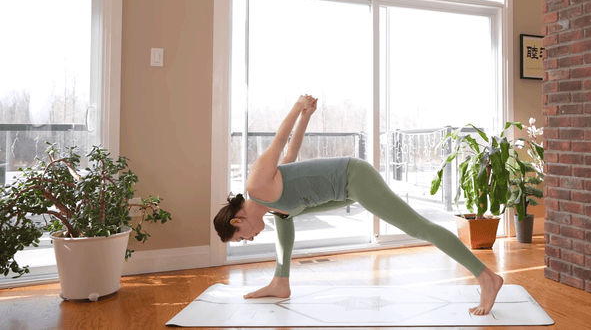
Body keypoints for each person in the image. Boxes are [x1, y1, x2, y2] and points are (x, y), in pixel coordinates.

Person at [214, 95, 503, 315]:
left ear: (237, 221)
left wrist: (298, 106)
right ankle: (281, 281)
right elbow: (292, 151)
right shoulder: (272, 203)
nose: (249, 238)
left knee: (419, 228)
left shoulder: (256, 185)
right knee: (283, 217)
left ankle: (486, 277)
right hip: (343, 191)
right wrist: (308, 116)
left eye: (241, 237)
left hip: (353, 177)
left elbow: (280, 141)